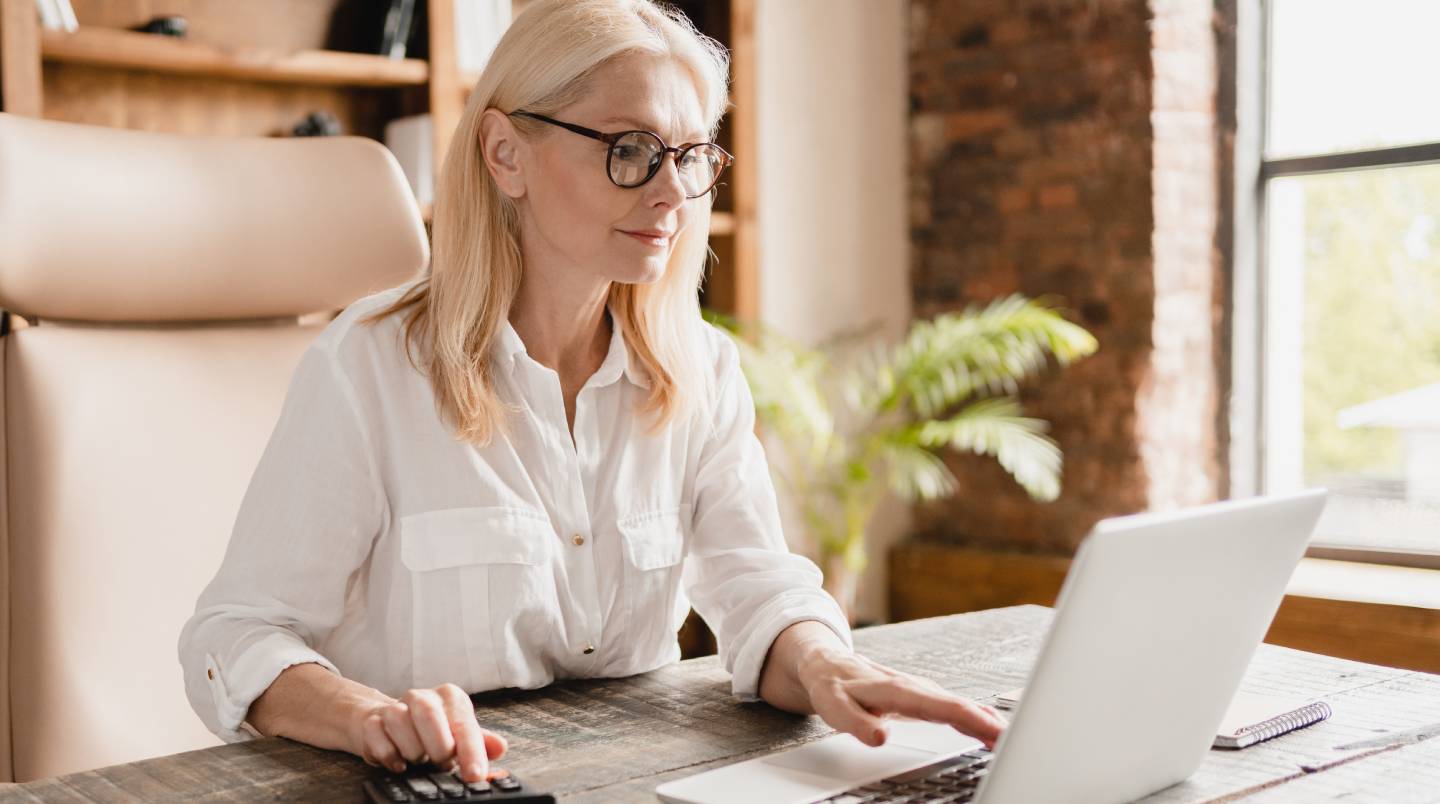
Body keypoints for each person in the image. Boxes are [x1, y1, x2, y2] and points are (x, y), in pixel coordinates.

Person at [178, 0, 1006, 786]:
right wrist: (366, 715)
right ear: (506, 155)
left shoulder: (700, 371)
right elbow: (235, 633)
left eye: (690, 157)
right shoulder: (368, 368)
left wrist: (828, 661)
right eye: (631, 150)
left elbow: (758, 588)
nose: (672, 194)